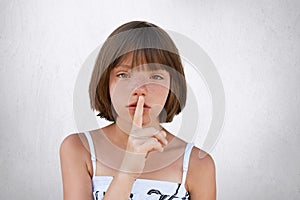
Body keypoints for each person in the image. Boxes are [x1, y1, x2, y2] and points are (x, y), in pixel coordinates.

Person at [60, 21, 216, 200]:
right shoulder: (79, 148)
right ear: (105, 81)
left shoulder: (199, 164)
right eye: (123, 75)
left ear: (173, 85)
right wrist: (128, 170)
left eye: (156, 76)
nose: (140, 89)